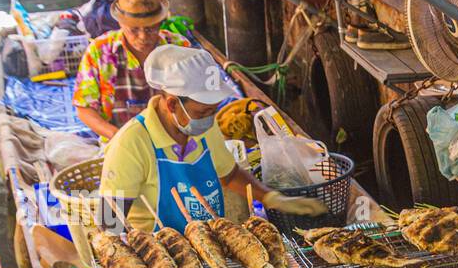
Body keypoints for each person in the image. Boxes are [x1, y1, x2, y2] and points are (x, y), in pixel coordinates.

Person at [99, 45, 323, 240]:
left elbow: (229, 174)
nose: (210, 118)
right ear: (172, 105)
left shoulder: (203, 125)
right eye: (203, 111)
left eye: (213, 110)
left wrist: (271, 198)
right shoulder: (131, 144)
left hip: (210, 241)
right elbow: (109, 219)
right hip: (163, 255)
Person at [73, 0, 191, 141]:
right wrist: (118, 136)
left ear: (160, 22)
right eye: (134, 29)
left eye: (150, 28)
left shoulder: (180, 47)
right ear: (120, 23)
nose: (143, 37)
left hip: (172, 137)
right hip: (120, 140)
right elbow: (84, 107)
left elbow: (197, 98)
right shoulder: (99, 51)